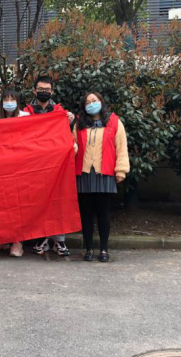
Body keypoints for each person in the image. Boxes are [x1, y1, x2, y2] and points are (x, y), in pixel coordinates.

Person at [73, 91, 129, 262]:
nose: (91, 104)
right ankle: (88, 248)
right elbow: (72, 143)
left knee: (103, 212)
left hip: (104, 172)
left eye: (94, 100)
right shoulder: (79, 123)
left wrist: (121, 170)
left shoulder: (114, 121)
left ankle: (104, 249)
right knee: (86, 213)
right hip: (84, 173)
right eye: (87, 102)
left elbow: (121, 147)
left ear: (101, 102)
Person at [26, 75, 75, 257]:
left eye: (47, 90)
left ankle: (59, 240)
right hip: (34, 164)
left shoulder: (60, 112)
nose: (44, 92)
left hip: (56, 164)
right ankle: (42, 238)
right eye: (41, 89)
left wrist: (70, 122)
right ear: (34, 90)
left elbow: (68, 137)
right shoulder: (26, 113)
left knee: (58, 200)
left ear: (52, 91)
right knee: (38, 201)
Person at [0, 89, 29, 257]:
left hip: (21, 168)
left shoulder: (26, 117)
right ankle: (3, 238)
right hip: (2, 169)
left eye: (12, 99)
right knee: (2, 205)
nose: (9, 102)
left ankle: (17, 242)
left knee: (19, 206)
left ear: (18, 101)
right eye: (6, 99)